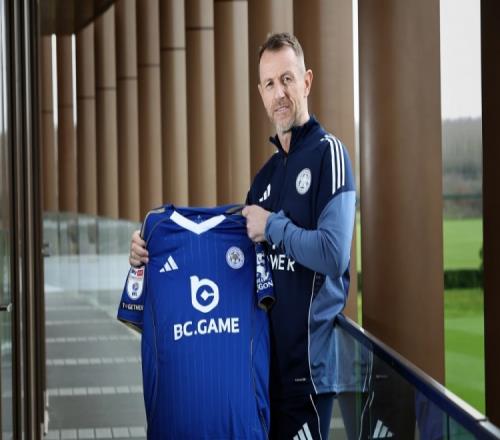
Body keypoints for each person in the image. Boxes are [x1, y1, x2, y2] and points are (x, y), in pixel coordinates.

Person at [129, 32, 356, 440]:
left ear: (306, 81)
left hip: (308, 376)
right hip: (258, 374)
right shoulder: (264, 179)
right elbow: (232, 261)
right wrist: (147, 253)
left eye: (287, 79)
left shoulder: (330, 154)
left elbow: (333, 253)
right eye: (269, 84)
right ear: (260, 93)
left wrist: (272, 226)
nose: (279, 93)